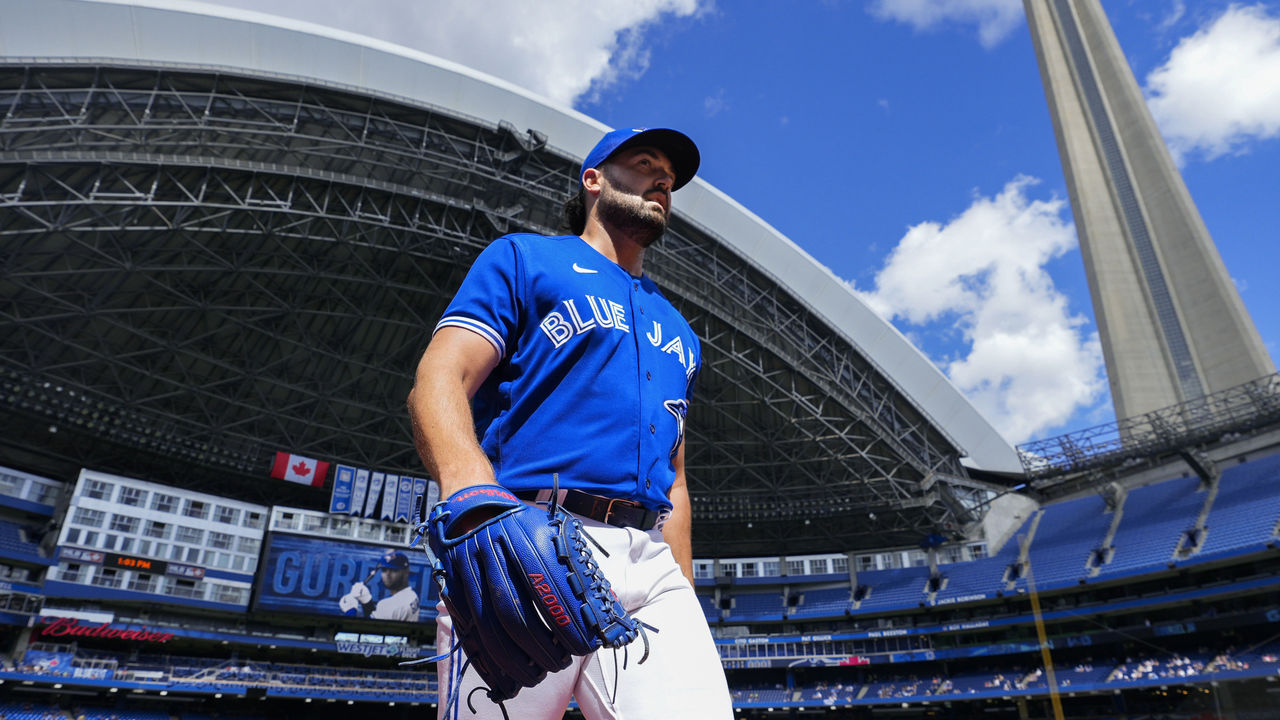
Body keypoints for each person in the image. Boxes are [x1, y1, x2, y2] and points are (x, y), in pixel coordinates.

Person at [406, 126, 733, 719]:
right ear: (594, 180)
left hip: (651, 562)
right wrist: (473, 498)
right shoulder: (526, 258)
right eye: (644, 164)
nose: (664, 180)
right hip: (528, 540)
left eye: (671, 177)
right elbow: (439, 379)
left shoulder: (679, 329)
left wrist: (681, 587)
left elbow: (676, 479)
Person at [338, 549, 420, 621]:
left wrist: (350, 611)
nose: (387, 574)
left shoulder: (387, 605)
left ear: (406, 572)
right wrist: (366, 600)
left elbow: (366, 636)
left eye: (393, 570)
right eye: (384, 570)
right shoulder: (412, 595)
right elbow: (376, 622)